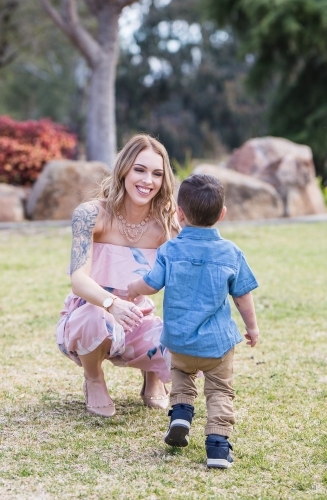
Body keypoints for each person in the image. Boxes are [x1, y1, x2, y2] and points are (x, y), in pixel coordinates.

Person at [127, 174, 260, 469]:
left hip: (180, 341)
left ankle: (181, 417)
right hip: (217, 345)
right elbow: (242, 295)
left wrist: (135, 289)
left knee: (182, 378)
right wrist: (251, 327)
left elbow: (151, 284)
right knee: (220, 391)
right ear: (222, 214)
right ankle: (217, 446)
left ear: (179, 213)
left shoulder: (170, 250)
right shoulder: (230, 252)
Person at [56, 134, 180, 417]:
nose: (148, 180)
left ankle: (153, 373)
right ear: (124, 169)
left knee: (183, 338)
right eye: (140, 169)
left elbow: (181, 276)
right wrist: (112, 303)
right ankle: (94, 378)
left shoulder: (166, 222)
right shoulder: (90, 214)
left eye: (157, 174)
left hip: (138, 318)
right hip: (91, 312)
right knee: (94, 317)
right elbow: (78, 280)